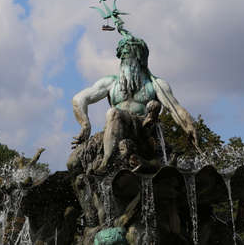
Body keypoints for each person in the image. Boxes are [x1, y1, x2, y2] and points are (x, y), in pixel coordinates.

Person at [72, 35, 200, 174]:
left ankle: (106, 162)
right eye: (122, 55)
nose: (125, 57)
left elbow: (175, 108)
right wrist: (85, 124)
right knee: (73, 162)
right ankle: (107, 160)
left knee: (115, 112)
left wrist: (189, 126)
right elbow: (79, 99)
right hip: (116, 127)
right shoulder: (110, 83)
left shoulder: (156, 84)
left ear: (140, 57)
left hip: (143, 128)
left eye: (129, 53)